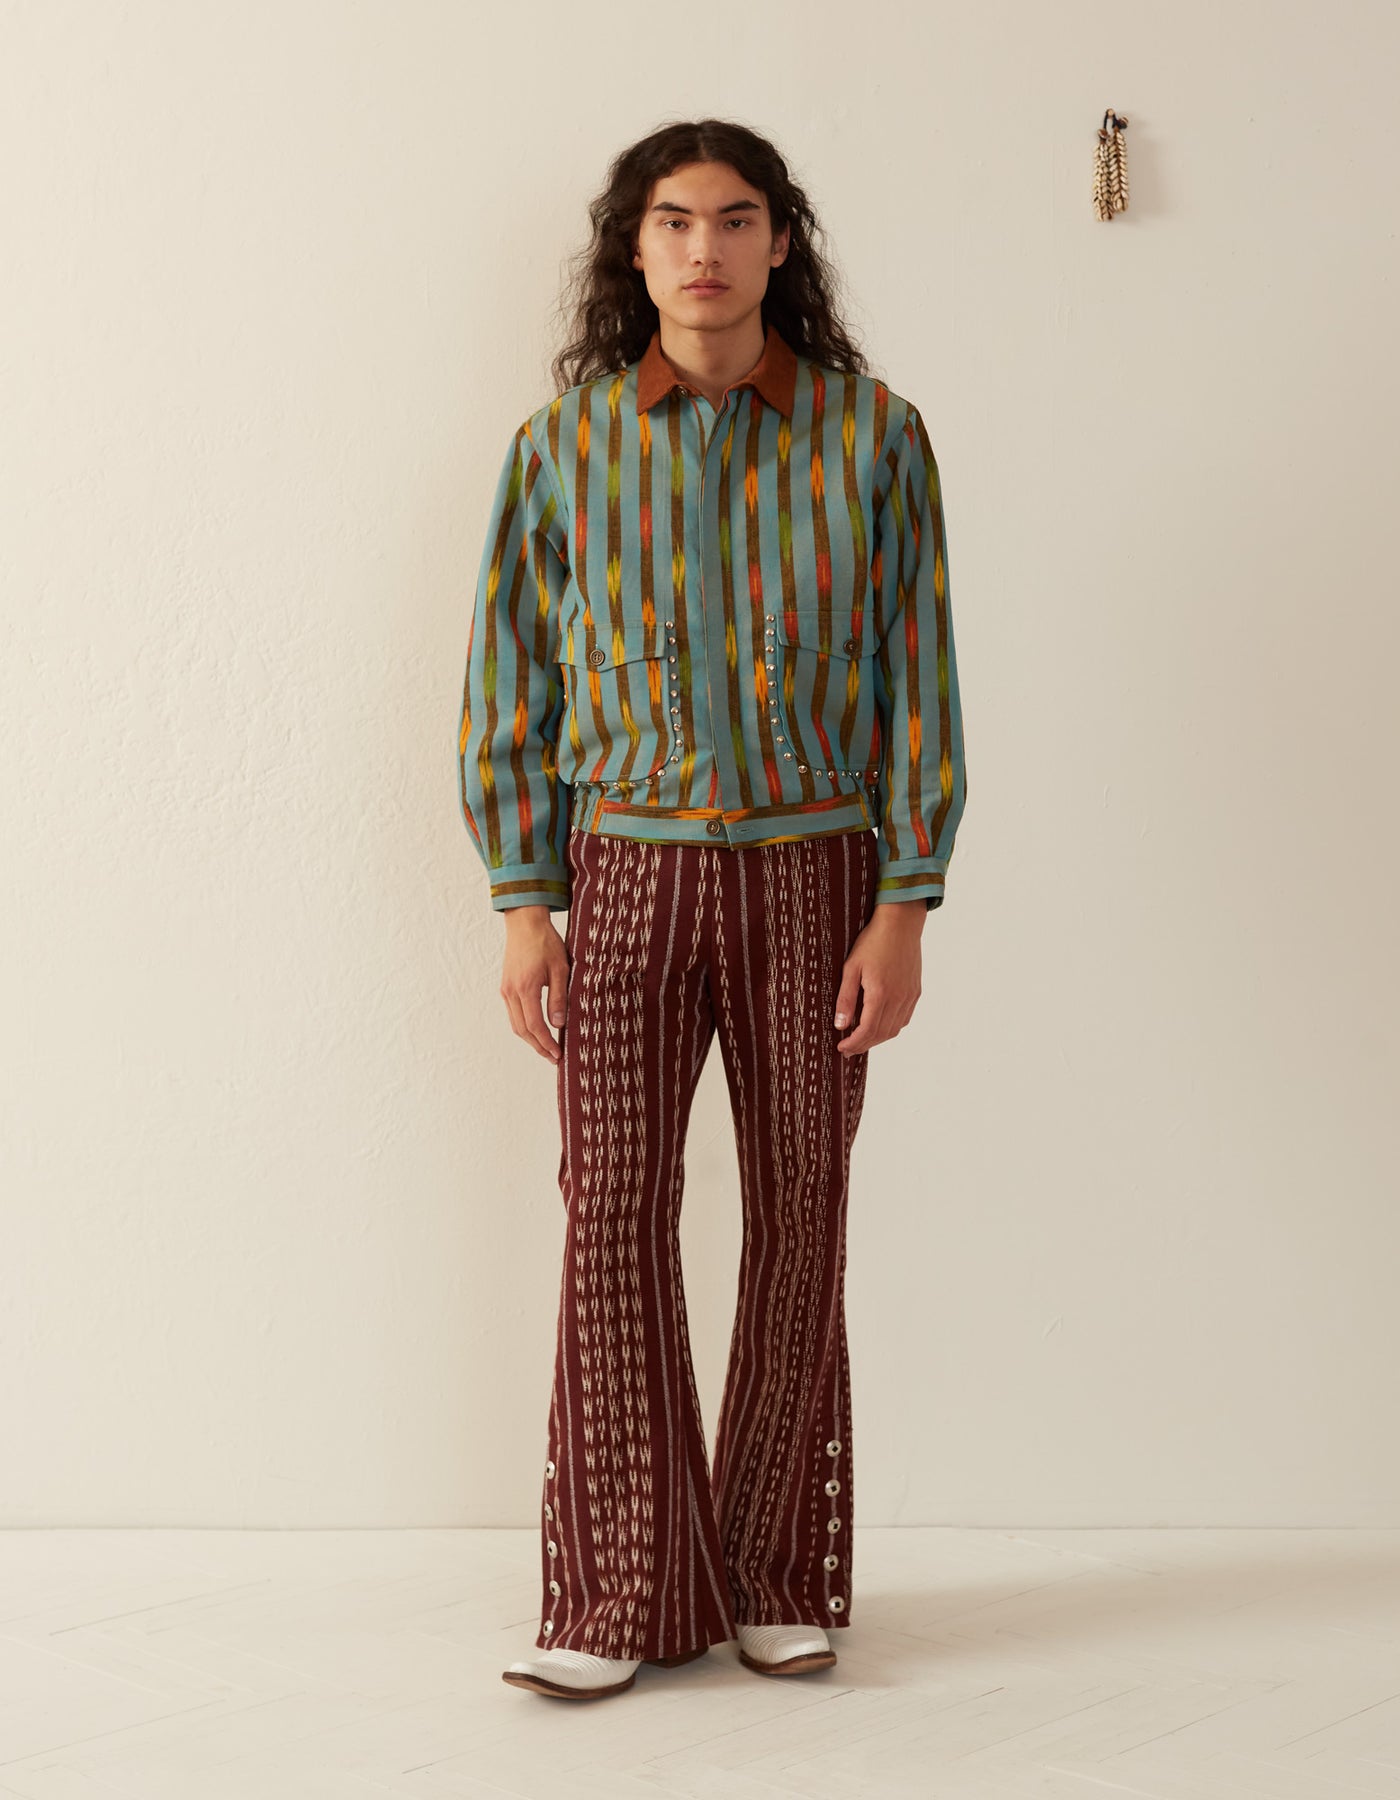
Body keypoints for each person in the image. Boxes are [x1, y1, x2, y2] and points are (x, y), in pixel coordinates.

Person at [457, 118, 967, 1702]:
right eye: (674, 221)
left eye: (736, 219)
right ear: (635, 248)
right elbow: (509, 683)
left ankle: (774, 1572)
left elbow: (919, 680)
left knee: (802, 1211)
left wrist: (906, 902)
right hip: (622, 873)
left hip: (819, 877)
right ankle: (618, 1593)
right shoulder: (562, 449)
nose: (705, 249)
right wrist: (525, 903)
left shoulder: (875, 439)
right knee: (610, 1211)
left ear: (779, 243)